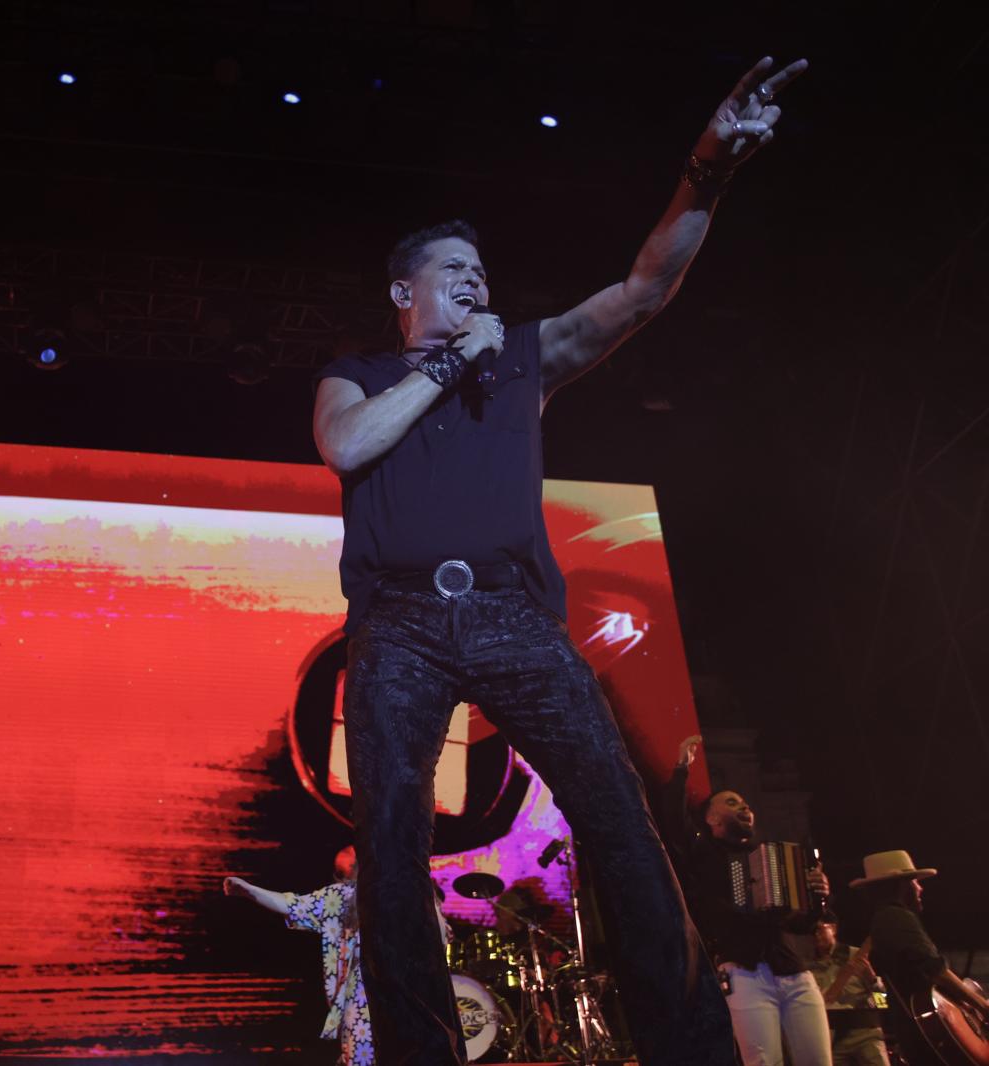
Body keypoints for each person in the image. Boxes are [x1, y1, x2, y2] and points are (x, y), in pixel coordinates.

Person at [310, 54, 806, 1066]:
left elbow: (640, 291)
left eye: (482, 278)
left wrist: (705, 171)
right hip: (397, 623)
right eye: (455, 274)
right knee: (393, 842)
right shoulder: (354, 375)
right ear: (404, 290)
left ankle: (690, 1048)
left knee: (619, 822)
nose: (476, 287)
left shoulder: (522, 361)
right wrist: (450, 359)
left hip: (512, 619)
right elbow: (348, 447)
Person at [660, 735, 833, 1066]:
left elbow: (796, 922)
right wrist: (682, 767)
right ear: (711, 819)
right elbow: (672, 820)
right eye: (731, 803)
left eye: (745, 803)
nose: (744, 807)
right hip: (744, 974)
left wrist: (817, 899)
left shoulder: (769, 859)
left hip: (793, 972)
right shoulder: (703, 855)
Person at [224, 847, 453, 1065]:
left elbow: (438, 937)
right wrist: (250, 890)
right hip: (365, 994)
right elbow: (293, 905)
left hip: (411, 993)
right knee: (362, 1054)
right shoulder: (344, 897)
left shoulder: (412, 888)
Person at [855, 850, 989, 1065]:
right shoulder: (896, 917)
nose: (920, 888)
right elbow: (936, 970)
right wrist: (983, 1006)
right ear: (901, 886)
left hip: (915, 1033)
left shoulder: (884, 919)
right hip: (926, 1034)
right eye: (915, 882)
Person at [807, 912, 889, 1066]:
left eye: (819, 929)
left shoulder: (857, 955)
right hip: (832, 1038)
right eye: (812, 932)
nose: (816, 936)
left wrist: (872, 980)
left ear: (833, 928)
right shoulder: (807, 967)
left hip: (866, 1032)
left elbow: (882, 1003)